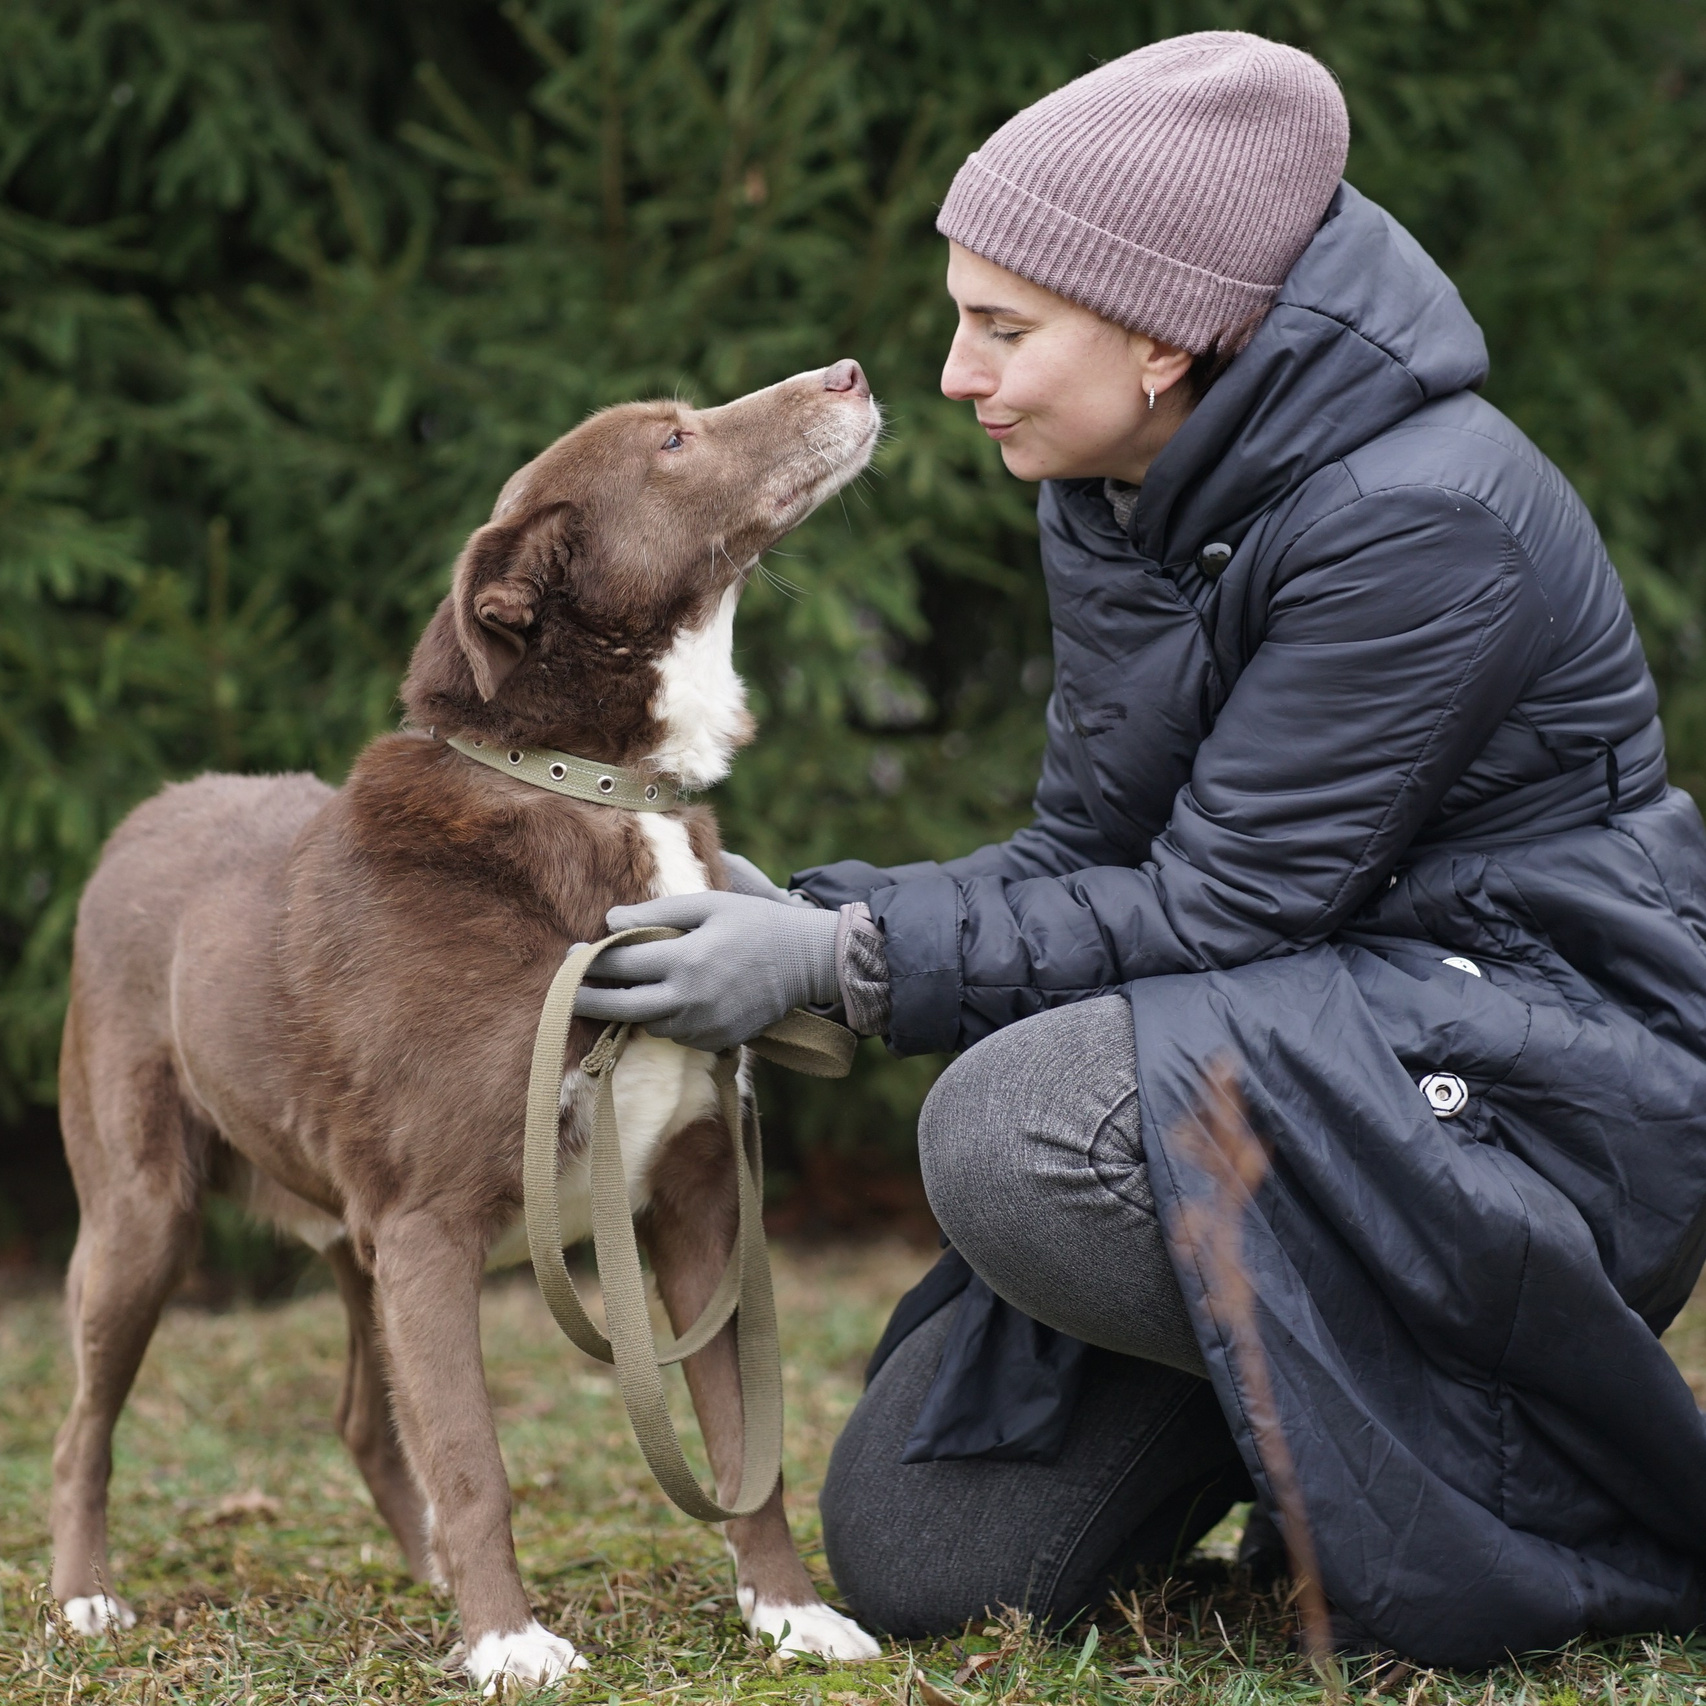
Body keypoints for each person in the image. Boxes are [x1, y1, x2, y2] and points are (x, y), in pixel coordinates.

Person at [574, 32, 1706, 1666]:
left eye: (1002, 328)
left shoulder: (1421, 516)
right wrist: (815, 911)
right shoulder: (1118, 483)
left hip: (1541, 1100)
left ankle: (1526, 1464)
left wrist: (846, 967)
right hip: (1302, 1048)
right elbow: (1090, 850)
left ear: (1167, 337)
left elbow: (1219, 907)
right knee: (924, 1554)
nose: (956, 374)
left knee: (1015, 1132)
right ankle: (1305, 1421)